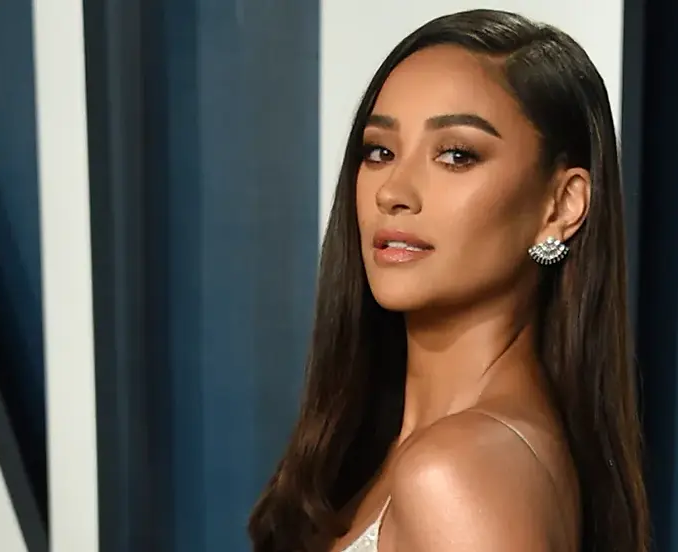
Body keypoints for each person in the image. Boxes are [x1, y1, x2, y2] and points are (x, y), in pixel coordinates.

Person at [248, 9, 649, 552]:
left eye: (456, 154)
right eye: (380, 151)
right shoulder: (412, 451)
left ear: (561, 204)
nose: (394, 190)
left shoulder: (456, 473)